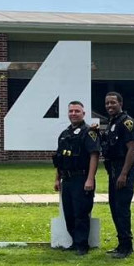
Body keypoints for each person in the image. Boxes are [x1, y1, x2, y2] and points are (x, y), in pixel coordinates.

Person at [52, 100, 100, 255]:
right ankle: (74, 241)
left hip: (82, 178)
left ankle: (82, 245)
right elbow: (59, 159)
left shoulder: (89, 132)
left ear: (83, 113)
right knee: (69, 213)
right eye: (71, 111)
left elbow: (94, 155)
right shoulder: (65, 134)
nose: (73, 114)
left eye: (77, 111)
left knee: (81, 213)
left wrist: (90, 178)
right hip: (67, 179)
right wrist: (57, 178)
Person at [100, 91, 134, 258]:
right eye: (107, 103)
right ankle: (121, 243)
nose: (109, 105)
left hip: (124, 169)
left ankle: (127, 246)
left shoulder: (127, 122)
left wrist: (123, 174)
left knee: (122, 208)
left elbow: (132, 149)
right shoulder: (112, 123)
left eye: (113, 103)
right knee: (114, 207)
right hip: (113, 169)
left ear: (120, 103)